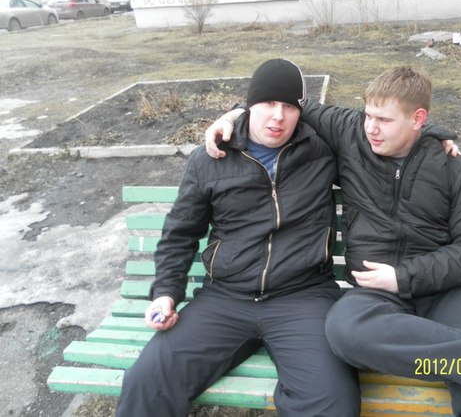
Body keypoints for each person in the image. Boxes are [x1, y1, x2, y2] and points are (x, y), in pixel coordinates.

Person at [206, 66, 461, 417]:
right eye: (368, 115)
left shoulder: (454, 168)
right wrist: (232, 116)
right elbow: (282, 101)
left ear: (419, 120)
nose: (371, 128)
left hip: (444, 291)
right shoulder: (350, 132)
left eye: (384, 120)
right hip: (375, 295)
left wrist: (404, 276)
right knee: (346, 330)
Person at [115, 58, 361, 417]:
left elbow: (383, 127)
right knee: (147, 382)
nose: (278, 116)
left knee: (333, 401)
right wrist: (166, 293)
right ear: (249, 105)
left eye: (289, 106)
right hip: (225, 298)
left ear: (302, 111)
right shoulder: (210, 159)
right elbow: (180, 233)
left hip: (304, 298)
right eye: (268, 103)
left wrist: (434, 136)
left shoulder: (322, 151)